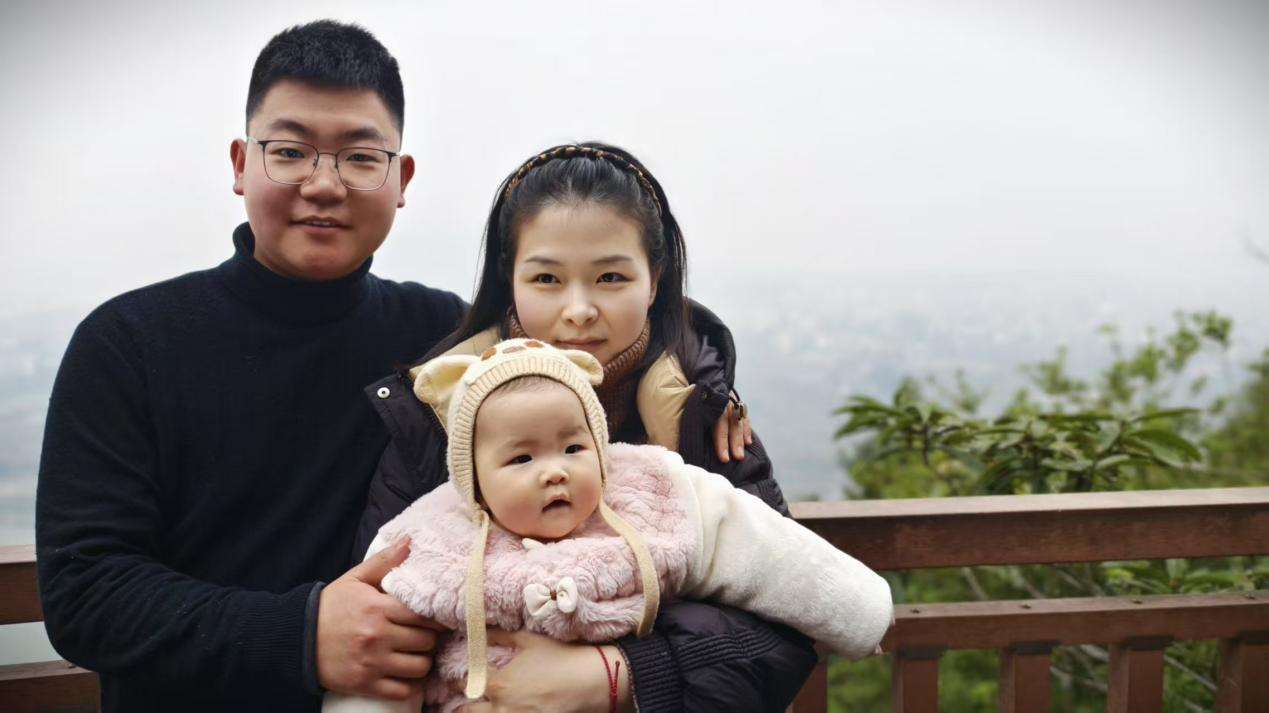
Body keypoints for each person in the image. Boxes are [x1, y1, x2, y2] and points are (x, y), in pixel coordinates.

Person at [36, 21, 463, 712]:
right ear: (240, 165)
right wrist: (300, 635)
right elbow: (86, 592)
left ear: (400, 178)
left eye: (360, 157)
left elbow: (593, 384)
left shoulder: (442, 338)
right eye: (290, 151)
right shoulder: (127, 343)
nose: (323, 184)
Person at [355, 142, 821, 712]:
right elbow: (379, 615)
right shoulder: (436, 418)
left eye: (611, 277)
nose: (578, 309)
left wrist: (622, 675)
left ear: (655, 281)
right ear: (510, 280)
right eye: (547, 278)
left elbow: (787, 627)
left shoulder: (701, 418)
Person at [327, 339, 894, 713]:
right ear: (471, 479)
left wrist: (860, 611)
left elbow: (754, 546)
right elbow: (377, 670)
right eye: (521, 458)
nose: (554, 471)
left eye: (574, 447)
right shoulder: (433, 542)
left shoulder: (650, 497)